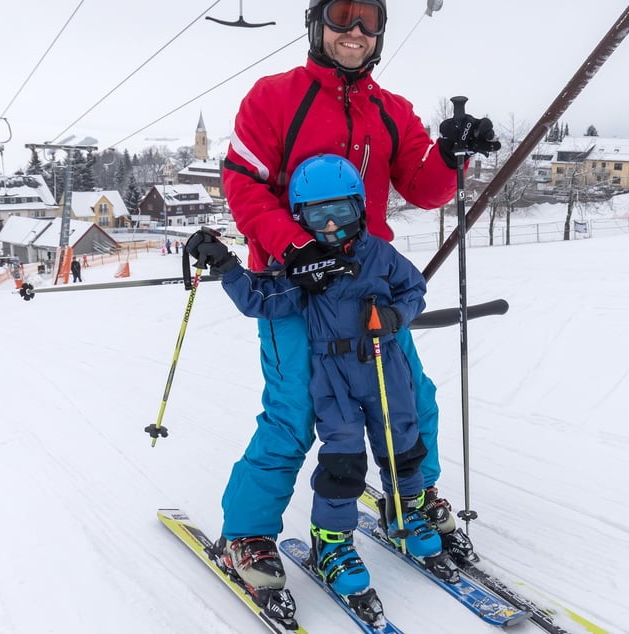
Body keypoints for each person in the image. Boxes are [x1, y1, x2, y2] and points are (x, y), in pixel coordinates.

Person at [195, 0, 500, 598]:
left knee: (415, 399)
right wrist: (294, 247)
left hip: (368, 290)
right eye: (342, 14)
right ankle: (248, 534)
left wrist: (449, 155)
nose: (355, 30)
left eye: (368, 18)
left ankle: (409, 497)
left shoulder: (391, 110)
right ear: (317, 23)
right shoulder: (273, 98)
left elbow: (426, 187)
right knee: (293, 416)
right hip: (293, 289)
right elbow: (244, 185)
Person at [197, 155, 443, 599]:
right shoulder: (306, 271)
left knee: (404, 445)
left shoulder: (381, 256)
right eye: (316, 217)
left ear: (360, 207)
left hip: (386, 369)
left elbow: (414, 290)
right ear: (299, 219)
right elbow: (263, 300)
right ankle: (332, 544)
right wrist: (228, 267)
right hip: (335, 381)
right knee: (343, 461)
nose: (329, 227)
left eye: (340, 213)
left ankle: (407, 513)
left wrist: (394, 315)